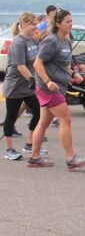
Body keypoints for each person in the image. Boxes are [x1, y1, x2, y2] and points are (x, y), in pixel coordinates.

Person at [29, 9, 85, 169]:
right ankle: (71, 158)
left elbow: (62, 65)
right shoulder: (51, 41)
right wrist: (48, 81)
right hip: (48, 88)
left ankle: (34, 158)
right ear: (58, 24)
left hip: (60, 85)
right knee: (66, 118)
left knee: (43, 122)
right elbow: (37, 63)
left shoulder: (67, 41)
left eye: (71, 21)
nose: (70, 24)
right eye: (67, 22)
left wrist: (74, 74)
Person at [2, 13, 45, 161]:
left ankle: (29, 143)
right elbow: (20, 66)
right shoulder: (18, 42)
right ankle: (9, 149)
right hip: (15, 85)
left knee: (38, 112)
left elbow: (36, 61)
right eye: (34, 24)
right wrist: (33, 79)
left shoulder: (33, 39)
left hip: (28, 85)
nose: (36, 27)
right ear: (25, 24)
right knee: (11, 116)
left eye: (37, 24)